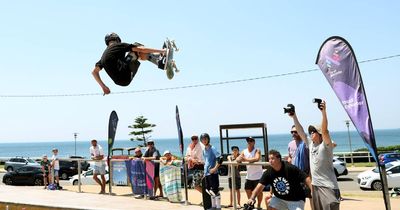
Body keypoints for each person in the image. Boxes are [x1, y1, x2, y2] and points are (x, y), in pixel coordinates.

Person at [290, 100, 340, 210]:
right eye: (311, 132)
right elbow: (301, 131)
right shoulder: (311, 144)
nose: (311, 133)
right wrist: (294, 116)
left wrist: (323, 112)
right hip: (316, 185)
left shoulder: (326, 146)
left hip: (328, 187)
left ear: (320, 134)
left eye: (314, 131)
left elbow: (325, 131)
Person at [92, 33, 168, 95]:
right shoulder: (118, 45)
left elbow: (94, 72)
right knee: (137, 47)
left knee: (136, 55)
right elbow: (141, 49)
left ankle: (159, 58)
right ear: (117, 39)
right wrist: (163, 50)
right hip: (125, 74)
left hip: (122, 81)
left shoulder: (104, 56)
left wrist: (103, 87)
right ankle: (160, 61)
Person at [247, 150, 312, 210]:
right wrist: (252, 198)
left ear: (279, 159)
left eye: (272, 158)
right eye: (269, 159)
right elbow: (259, 186)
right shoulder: (268, 172)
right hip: (280, 199)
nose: (270, 161)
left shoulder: (289, 168)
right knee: (270, 205)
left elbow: (306, 177)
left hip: (296, 200)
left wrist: (312, 190)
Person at [287, 125, 312, 209]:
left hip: (306, 174)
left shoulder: (305, 144)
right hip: (294, 175)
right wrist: (289, 161)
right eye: (292, 132)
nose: (293, 133)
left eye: (295, 132)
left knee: (311, 196)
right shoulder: (290, 144)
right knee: (297, 197)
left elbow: (311, 159)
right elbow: (290, 156)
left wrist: (310, 174)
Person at [236, 137, 263, 210]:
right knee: (247, 190)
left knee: (259, 192)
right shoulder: (244, 151)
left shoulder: (257, 150)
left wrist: (244, 159)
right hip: (249, 176)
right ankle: (251, 204)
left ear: (254, 142)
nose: (249, 142)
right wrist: (239, 159)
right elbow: (238, 159)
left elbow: (256, 158)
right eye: (248, 141)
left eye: (251, 140)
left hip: (258, 176)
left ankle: (259, 205)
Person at [201, 133, 223, 210]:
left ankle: (219, 207)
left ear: (208, 139)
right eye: (203, 139)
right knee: (209, 190)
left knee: (215, 190)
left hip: (213, 173)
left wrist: (215, 168)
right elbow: (206, 161)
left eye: (205, 139)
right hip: (207, 173)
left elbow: (220, 158)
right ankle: (213, 206)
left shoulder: (212, 148)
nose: (204, 140)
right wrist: (204, 172)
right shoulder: (204, 150)